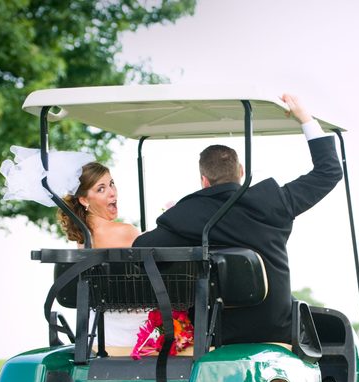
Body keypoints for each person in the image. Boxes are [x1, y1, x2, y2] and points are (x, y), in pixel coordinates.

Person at [132, 94, 344, 345]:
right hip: (276, 330)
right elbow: (329, 171)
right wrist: (305, 118)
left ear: (204, 180)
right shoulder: (273, 202)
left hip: (216, 334)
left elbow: (139, 251)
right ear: (241, 172)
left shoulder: (185, 216)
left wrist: (177, 216)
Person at [57, 162, 144, 346]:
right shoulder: (126, 232)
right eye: (101, 189)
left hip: (96, 331)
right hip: (133, 330)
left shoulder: (82, 237)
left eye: (111, 183)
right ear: (84, 200)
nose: (112, 192)